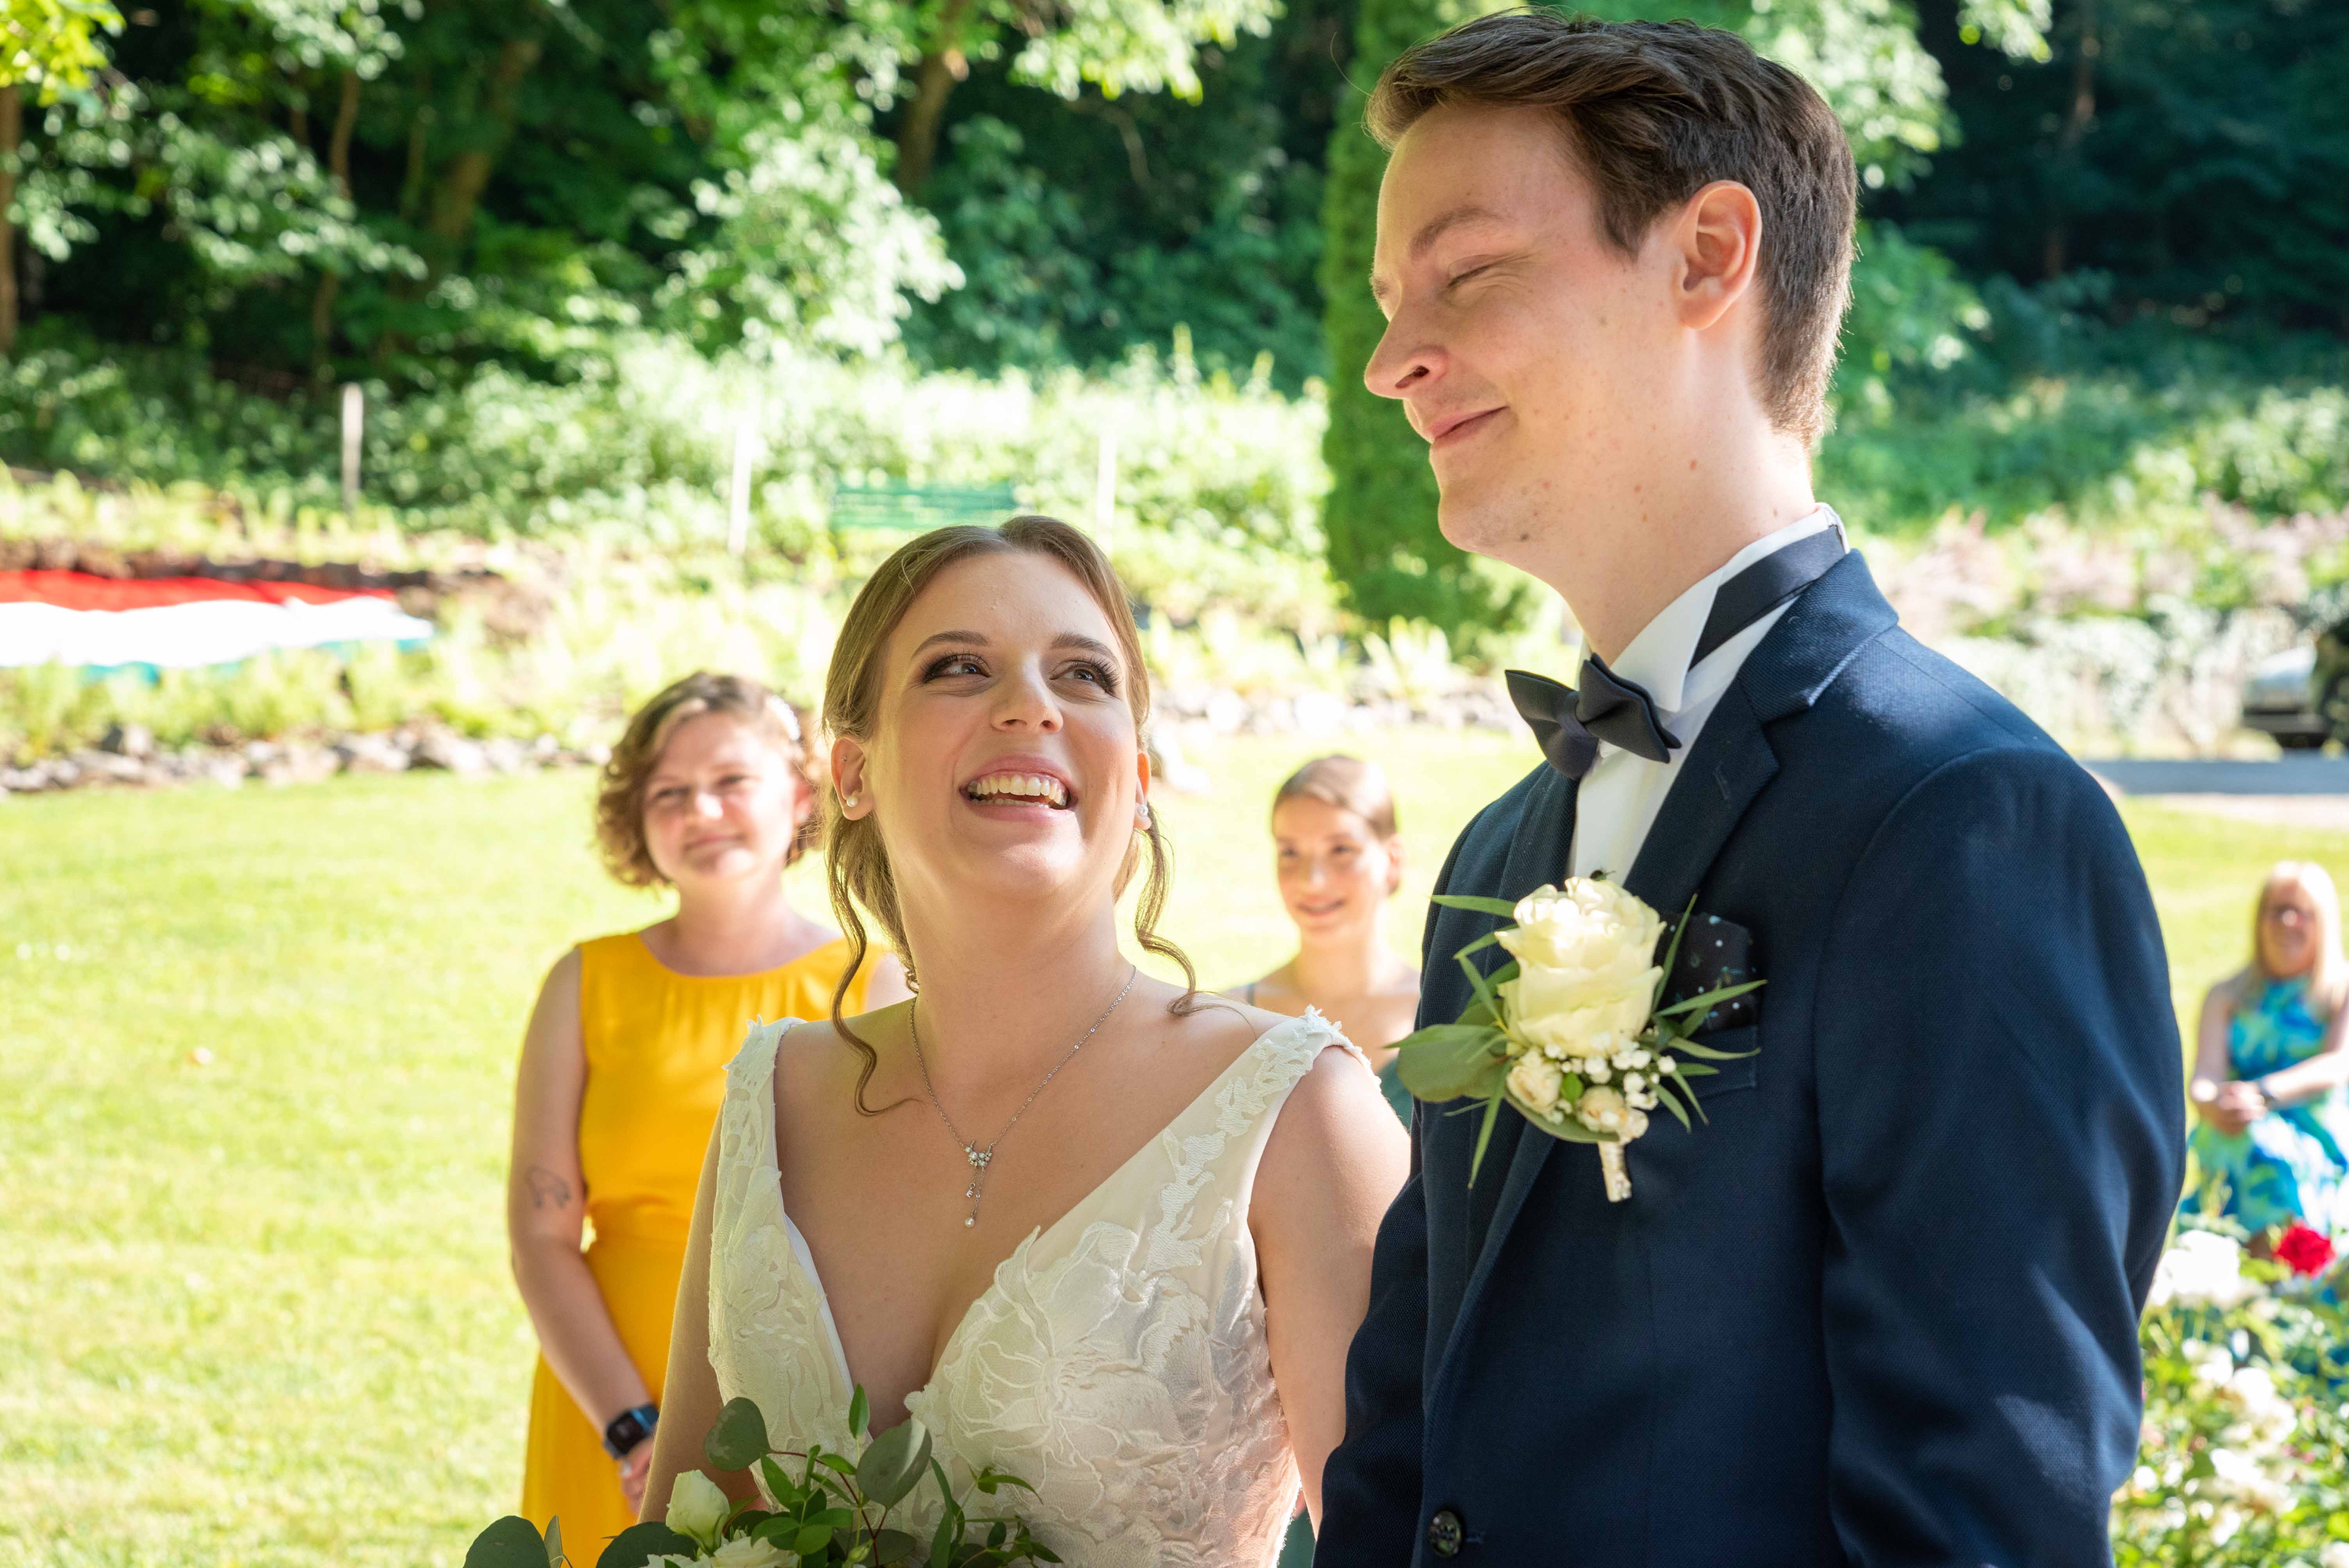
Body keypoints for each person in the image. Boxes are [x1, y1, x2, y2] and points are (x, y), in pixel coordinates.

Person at [1315, 14, 2184, 1566]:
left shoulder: (1965, 823)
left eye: (1468, 274)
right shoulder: (1492, 856)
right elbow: (1406, 1449)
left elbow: (1978, 1524)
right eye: (1390, 306)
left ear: (1707, 257)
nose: (1391, 364)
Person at [642, 517, 1410, 1563]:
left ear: (1137, 780)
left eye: (1083, 674)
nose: (1031, 706)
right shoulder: (771, 1099)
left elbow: (1410, 1540)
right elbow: (678, 1533)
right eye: (959, 667)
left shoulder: (1298, 1110)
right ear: (852, 772)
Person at [509, 672, 907, 1548]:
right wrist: (632, 1428)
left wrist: (803, 1429)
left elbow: (898, 1241)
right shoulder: (584, 983)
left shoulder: (871, 988)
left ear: (799, 794)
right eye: (670, 793)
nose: (702, 811)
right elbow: (541, 1237)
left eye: (732, 781)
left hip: (795, 1414)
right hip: (604, 1398)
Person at [1229, 758, 1422, 1115]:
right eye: (1290, 852)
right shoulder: (1231, 1018)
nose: (1312, 881)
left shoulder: (1448, 1014)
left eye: (1341, 850)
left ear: (1393, 861)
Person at [2183, 862, 2349, 1245]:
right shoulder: (2226, 995)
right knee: (2235, 1144)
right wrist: (2216, 1104)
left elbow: (2339, 1063)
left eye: (2302, 912)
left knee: (2269, 1156)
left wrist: (2262, 1093)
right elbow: (2204, 1077)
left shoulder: (2339, 991)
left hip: (2314, 1131)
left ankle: (2286, 1266)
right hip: (2234, 1124)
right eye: (2277, 910)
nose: (2288, 922)